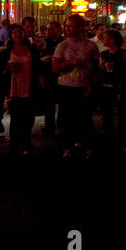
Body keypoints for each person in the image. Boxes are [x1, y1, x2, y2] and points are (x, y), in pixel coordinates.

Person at [52, 14, 99, 158]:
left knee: (85, 118)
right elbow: (54, 67)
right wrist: (67, 63)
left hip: (84, 86)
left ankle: (87, 145)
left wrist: (91, 85)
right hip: (66, 87)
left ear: (81, 27)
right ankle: (68, 145)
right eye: (67, 26)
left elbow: (96, 68)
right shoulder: (62, 45)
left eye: (71, 26)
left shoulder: (91, 46)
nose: (68, 29)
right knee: (67, 118)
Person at [2, 24, 36, 156]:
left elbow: (37, 68)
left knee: (28, 119)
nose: (17, 35)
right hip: (13, 89)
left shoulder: (31, 50)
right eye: (14, 32)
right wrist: (7, 67)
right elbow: (0, 69)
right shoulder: (6, 52)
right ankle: (14, 145)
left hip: (28, 87)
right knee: (15, 119)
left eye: (19, 32)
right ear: (11, 35)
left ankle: (26, 143)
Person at [98, 29, 124, 153]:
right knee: (106, 113)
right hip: (106, 86)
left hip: (119, 86)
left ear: (112, 39)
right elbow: (101, 70)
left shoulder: (123, 54)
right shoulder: (104, 54)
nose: (103, 39)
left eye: (105, 37)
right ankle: (108, 138)